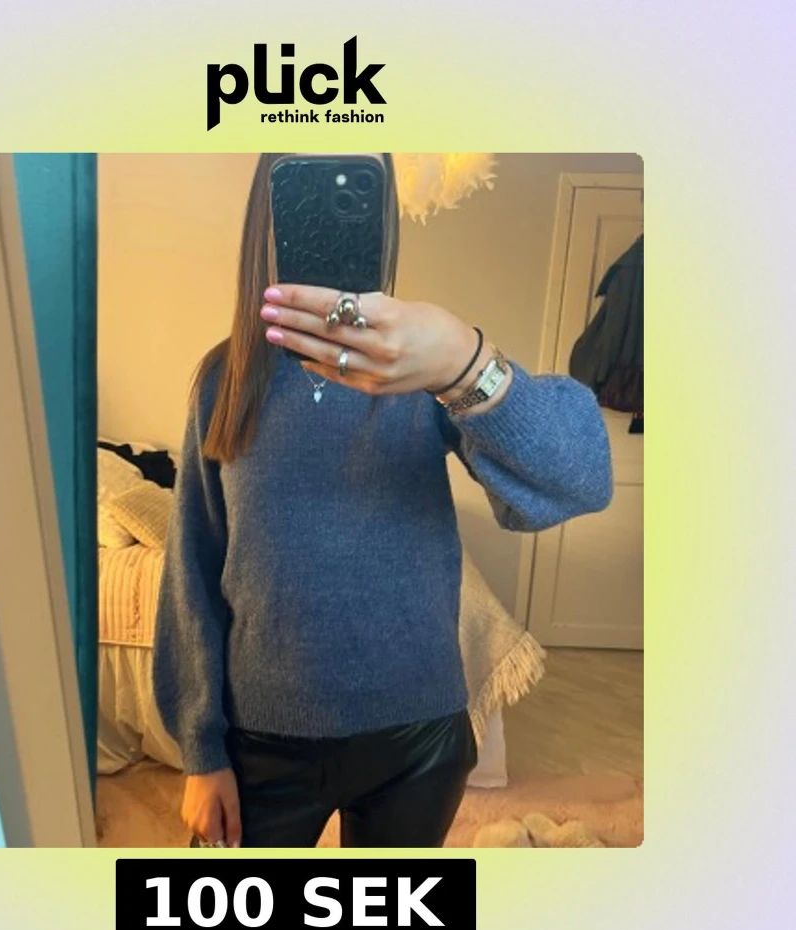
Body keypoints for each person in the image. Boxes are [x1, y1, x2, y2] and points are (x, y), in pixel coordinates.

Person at [151, 153, 613, 848]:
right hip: (262, 742)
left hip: (419, 742)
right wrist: (201, 751)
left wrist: (464, 362)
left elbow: (580, 480)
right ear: (267, 222)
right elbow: (191, 568)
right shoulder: (225, 381)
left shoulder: (429, 367)